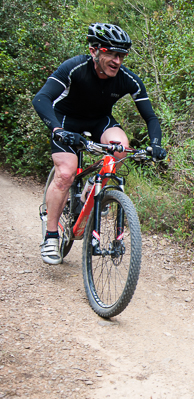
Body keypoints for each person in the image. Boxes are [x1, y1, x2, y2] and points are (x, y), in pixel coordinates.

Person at [32, 22, 167, 264]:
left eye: (121, 55)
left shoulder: (127, 79)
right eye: (111, 53)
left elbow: (150, 116)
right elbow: (41, 98)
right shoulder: (74, 68)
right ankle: (51, 236)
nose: (117, 60)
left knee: (121, 149)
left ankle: (91, 193)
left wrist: (156, 144)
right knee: (65, 173)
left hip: (99, 121)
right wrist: (57, 129)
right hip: (66, 122)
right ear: (95, 51)